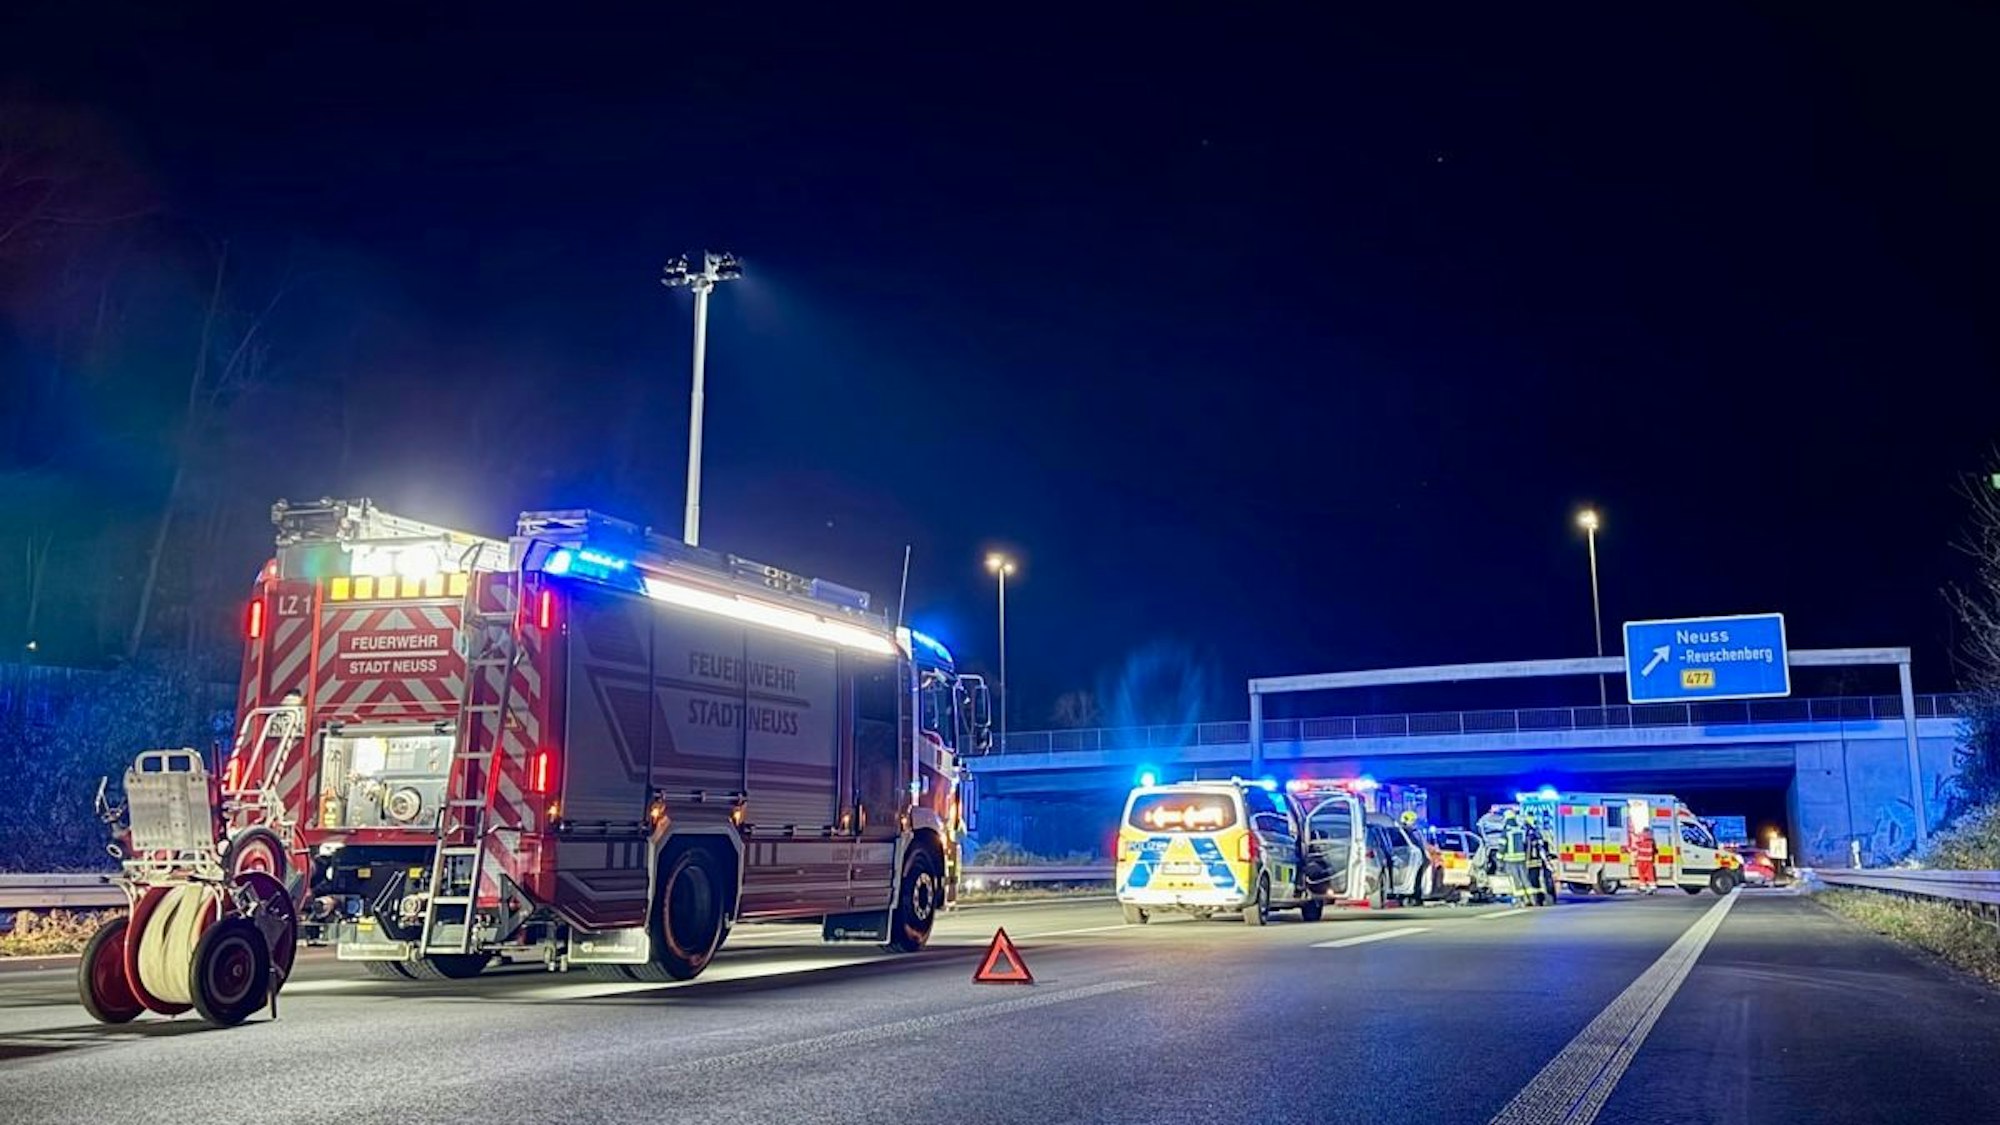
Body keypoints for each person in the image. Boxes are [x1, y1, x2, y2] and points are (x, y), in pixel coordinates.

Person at [1500, 809, 1532, 904]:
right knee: (1525, 878)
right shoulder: (1520, 829)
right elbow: (1525, 843)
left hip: (1510, 860)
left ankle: (1519, 900)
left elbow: (1502, 846)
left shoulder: (1507, 831)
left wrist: (1499, 860)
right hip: (1521, 859)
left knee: (1515, 880)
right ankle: (1531, 898)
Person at [1633, 825, 1659, 894]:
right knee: (1650, 874)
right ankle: (1653, 887)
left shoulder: (1640, 839)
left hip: (1640, 860)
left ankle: (1643, 888)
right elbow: (1655, 850)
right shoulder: (1652, 840)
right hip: (1649, 860)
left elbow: (1634, 847)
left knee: (1641, 874)